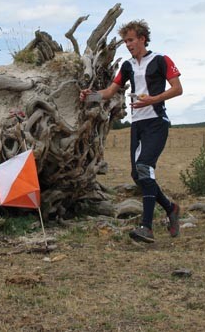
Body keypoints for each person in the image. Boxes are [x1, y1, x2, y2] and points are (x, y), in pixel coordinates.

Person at [80, 20, 183, 243]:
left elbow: (177, 89)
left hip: (156, 121)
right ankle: (170, 208)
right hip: (137, 125)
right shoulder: (127, 66)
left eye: (131, 40)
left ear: (142, 39)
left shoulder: (161, 60)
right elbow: (108, 92)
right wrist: (90, 96)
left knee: (144, 168)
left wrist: (154, 99)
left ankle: (146, 227)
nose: (128, 45)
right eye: (125, 41)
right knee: (137, 176)